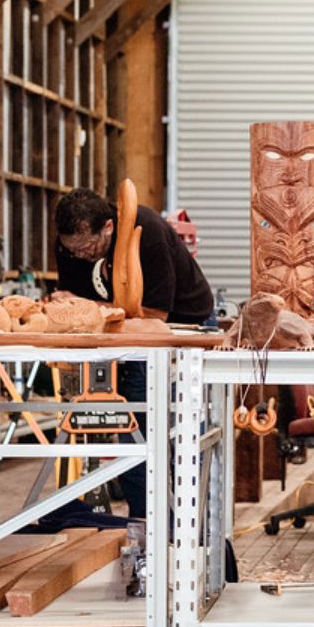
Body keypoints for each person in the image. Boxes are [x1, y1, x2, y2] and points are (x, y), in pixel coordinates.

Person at [54, 188, 215, 518]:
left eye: (88, 247)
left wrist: (92, 308)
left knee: (167, 427)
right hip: (119, 332)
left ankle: (184, 525)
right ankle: (144, 522)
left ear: (109, 227)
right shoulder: (70, 247)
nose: (81, 255)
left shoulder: (147, 230)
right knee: (130, 429)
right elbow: (74, 303)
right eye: (73, 249)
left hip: (181, 326)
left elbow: (154, 315)